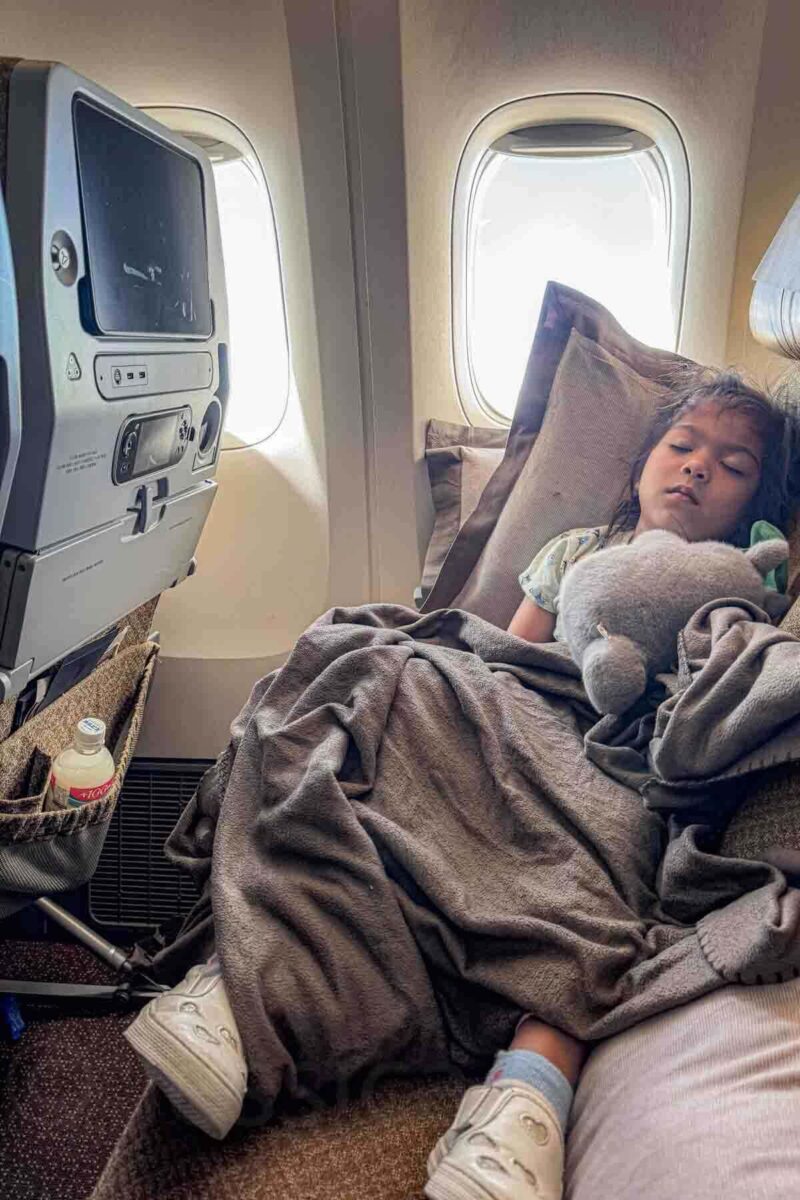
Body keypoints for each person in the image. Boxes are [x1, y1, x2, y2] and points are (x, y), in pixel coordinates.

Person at [124, 369, 794, 1200]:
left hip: (615, 766)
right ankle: (239, 1001)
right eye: (682, 445)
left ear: (761, 507)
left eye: (732, 465)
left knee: (618, 881)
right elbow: (499, 658)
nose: (697, 467)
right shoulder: (576, 551)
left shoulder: (743, 585)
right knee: (370, 678)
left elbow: (730, 696)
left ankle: (525, 1106)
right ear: (641, 467)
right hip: (511, 726)